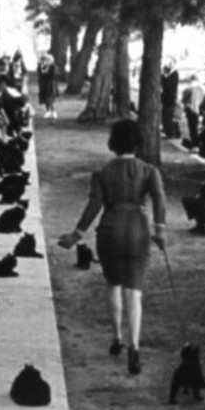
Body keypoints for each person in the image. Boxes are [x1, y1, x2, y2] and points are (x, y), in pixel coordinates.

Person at [58, 118, 166, 376]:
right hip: (137, 231)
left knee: (113, 285)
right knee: (134, 293)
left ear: (113, 144)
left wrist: (77, 234)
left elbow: (94, 206)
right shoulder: (150, 171)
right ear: (137, 144)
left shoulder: (103, 173)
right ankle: (135, 347)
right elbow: (160, 202)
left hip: (108, 231)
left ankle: (117, 336)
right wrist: (159, 230)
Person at [161, 61, 180, 138]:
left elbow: (167, 84)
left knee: (168, 116)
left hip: (170, 99)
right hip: (167, 99)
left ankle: (170, 133)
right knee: (166, 116)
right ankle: (169, 132)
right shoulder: (171, 75)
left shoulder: (174, 74)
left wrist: (163, 76)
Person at [37, 54, 59, 119]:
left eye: (47, 60)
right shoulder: (43, 67)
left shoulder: (54, 67)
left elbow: (53, 76)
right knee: (45, 99)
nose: (46, 61)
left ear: (51, 60)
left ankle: (54, 111)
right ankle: (48, 111)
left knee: (49, 99)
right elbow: (39, 74)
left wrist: (46, 73)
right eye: (45, 60)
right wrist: (41, 67)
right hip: (43, 85)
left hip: (51, 85)